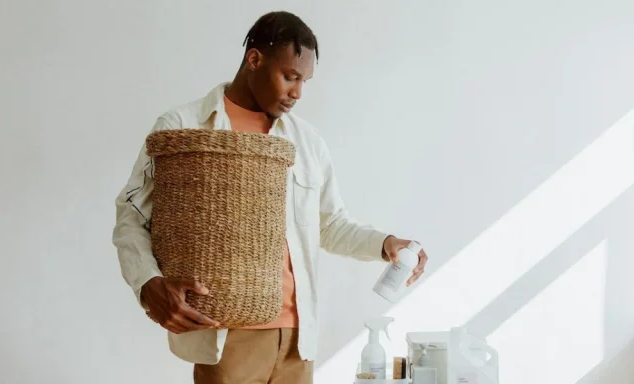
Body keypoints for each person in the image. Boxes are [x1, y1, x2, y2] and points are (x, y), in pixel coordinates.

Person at [112, 10, 428, 384]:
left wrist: (386, 244)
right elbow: (131, 214)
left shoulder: (306, 142)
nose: (297, 92)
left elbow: (330, 224)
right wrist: (148, 284)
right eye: (289, 76)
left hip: (298, 339)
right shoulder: (183, 127)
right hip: (227, 334)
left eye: (304, 81)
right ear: (254, 59)